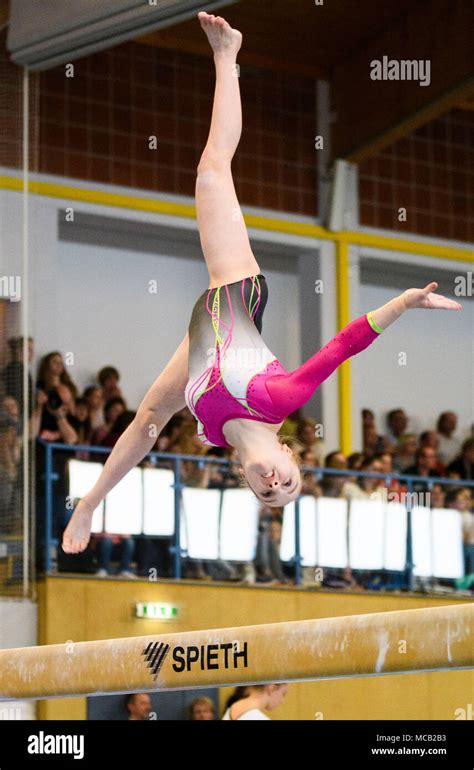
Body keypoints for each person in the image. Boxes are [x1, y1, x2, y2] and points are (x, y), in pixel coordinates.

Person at [61, 11, 462, 555]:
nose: (274, 484)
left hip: (202, 349)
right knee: (212, 170)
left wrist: (89, 504)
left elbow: (145, 431)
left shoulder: (210, 430)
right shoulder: (281, 398)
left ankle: (89, 501)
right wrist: (405, 302)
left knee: (150, 417)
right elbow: (345, 344)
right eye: (287, 482)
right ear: (290, 456)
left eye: (268, 494)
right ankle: (228, 53)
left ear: (248, 484)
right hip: (237, 291)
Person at [221, 683, 288, 720]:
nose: (282, 700)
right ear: (272, 688)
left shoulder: (232, 707)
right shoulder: (259, 718)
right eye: (283, 694)